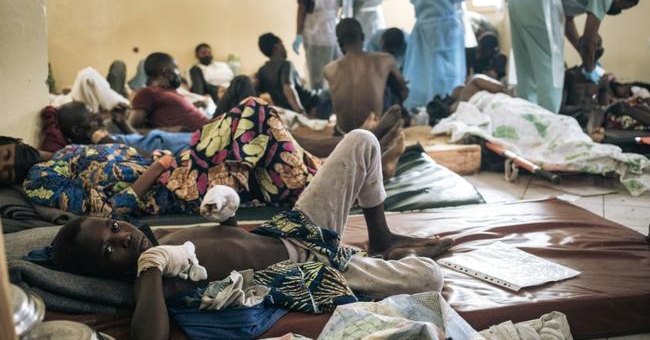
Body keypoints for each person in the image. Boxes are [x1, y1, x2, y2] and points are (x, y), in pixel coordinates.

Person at [47, 129, 454, 340]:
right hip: (313, 270)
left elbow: (232, 240)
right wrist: (151, 269)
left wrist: (228, 211)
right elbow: (149, 336)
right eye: (109, 249)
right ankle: (369, 261)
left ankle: (380, 237)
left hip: (296, 228)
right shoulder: (151, 278)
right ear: (104, 271)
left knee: (362, 141)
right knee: (431, 278)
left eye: (116, 227)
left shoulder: (159, 234)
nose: (123, 238)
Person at [18, 98, 406, 216]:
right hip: (175, 187)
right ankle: (364, 159)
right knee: (256, 113)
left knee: (266, 140)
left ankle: (362, 162)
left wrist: (153, 159)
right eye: (1, 167)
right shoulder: (40, 183)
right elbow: (106, 210)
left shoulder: (64, 153)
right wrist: (155, 168)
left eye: (2, 154)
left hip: (181, 167)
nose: (7, 163)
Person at [507, 0, 641, 113]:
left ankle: (525, 115)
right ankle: (548, 122)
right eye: (623, 7)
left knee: (525, 64)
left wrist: (581, 51)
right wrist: (590, 68)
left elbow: (568, 21)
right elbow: (589, 39)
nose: (619, 11)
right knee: (552, 67)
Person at [324, 19, 408, 134]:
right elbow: (403, 91)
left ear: (339, 42)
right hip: (374, 134)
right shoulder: (385, 60)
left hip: (342, 135)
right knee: (391, 85)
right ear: (363, 37)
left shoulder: (329, 69)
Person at [56, 101, 192, 156]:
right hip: (174, 148)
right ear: (77, 130)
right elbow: (150, 159)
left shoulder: (102, 137)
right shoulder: (90, 151)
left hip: (172, 140)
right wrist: (107, 141)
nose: (99, 119)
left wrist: (123, 123)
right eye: (92, 118)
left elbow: (138, 140)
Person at [294, 0, 342, 89]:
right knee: (317, 76)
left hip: (333, 31)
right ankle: (317, 107)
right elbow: (301, 8)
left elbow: (338, 6)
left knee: (335, 73)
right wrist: (298, 34)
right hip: (314, 33)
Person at [129, 52, 210, 132]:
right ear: (165, 72)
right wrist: (168, 130)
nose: (179, 73)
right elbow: (131, 129)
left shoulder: (171, 92)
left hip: (212, 127)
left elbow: (173, 112)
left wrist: (194, 105)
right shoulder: (148, 92)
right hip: (205, 136)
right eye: (176, 68)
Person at [256, 33, 331, 119]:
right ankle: (318, 116)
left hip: (289, 110)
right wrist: (301, 113)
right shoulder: (286, 64)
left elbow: (258, 92)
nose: (285, 48)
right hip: (312, 102)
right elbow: (288, 89)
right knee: (330, 92)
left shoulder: (262, 71)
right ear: (276, 47)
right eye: (282, 44)